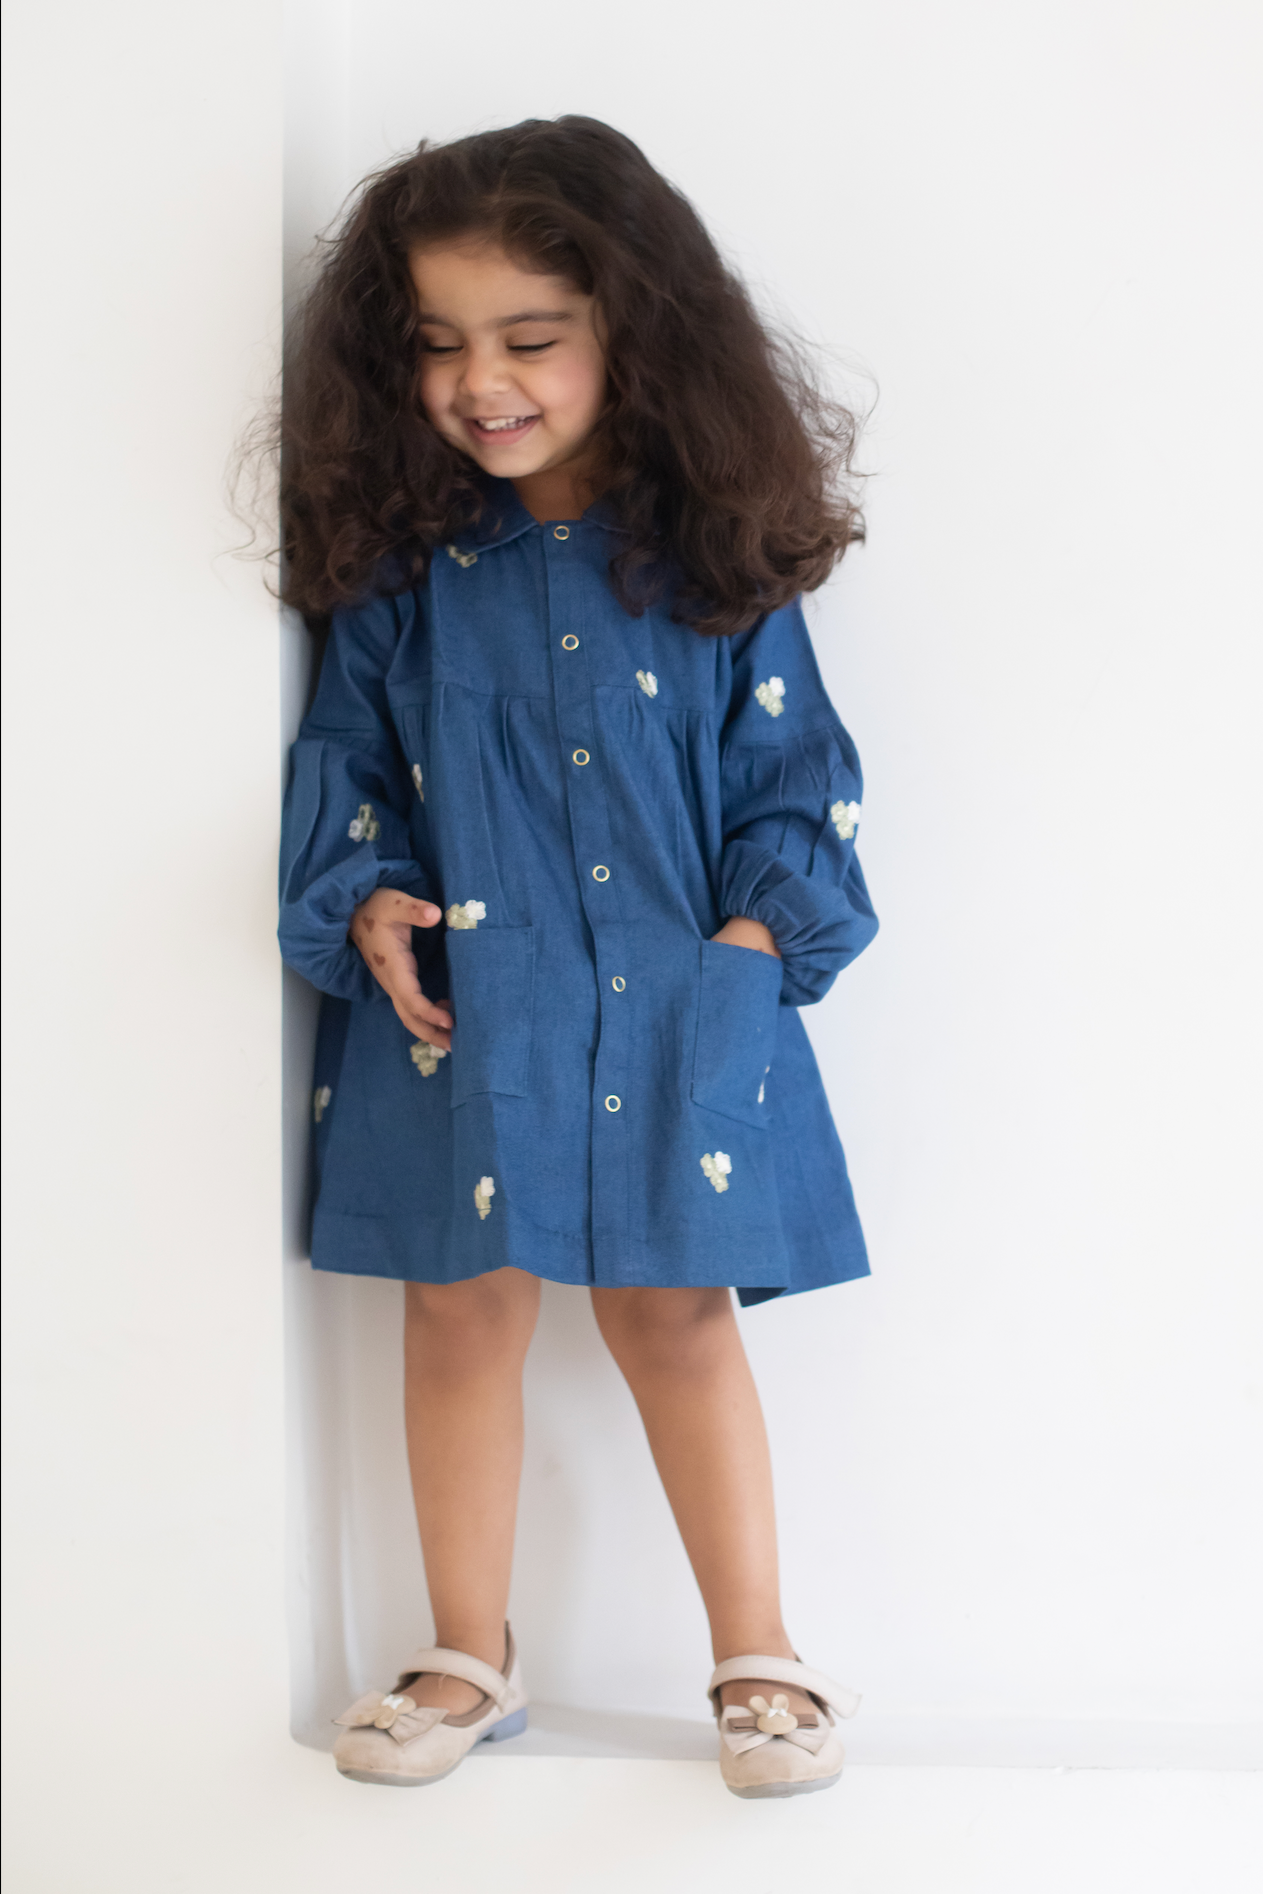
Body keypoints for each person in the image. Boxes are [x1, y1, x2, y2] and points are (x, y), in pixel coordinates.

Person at [277, 116, 878, 1799]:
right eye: (439, 343)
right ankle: (469, 1648)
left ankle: (759, 1654)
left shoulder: (714, 565)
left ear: (633, 331)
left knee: (676, 1313)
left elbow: (795, 777)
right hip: (462, 1007)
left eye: (529, 337)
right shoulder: (399, 576)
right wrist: (366, 900)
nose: (482, 381)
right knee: (458, 1310)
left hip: (681, 996)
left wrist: (753, 949)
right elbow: (346, 775)